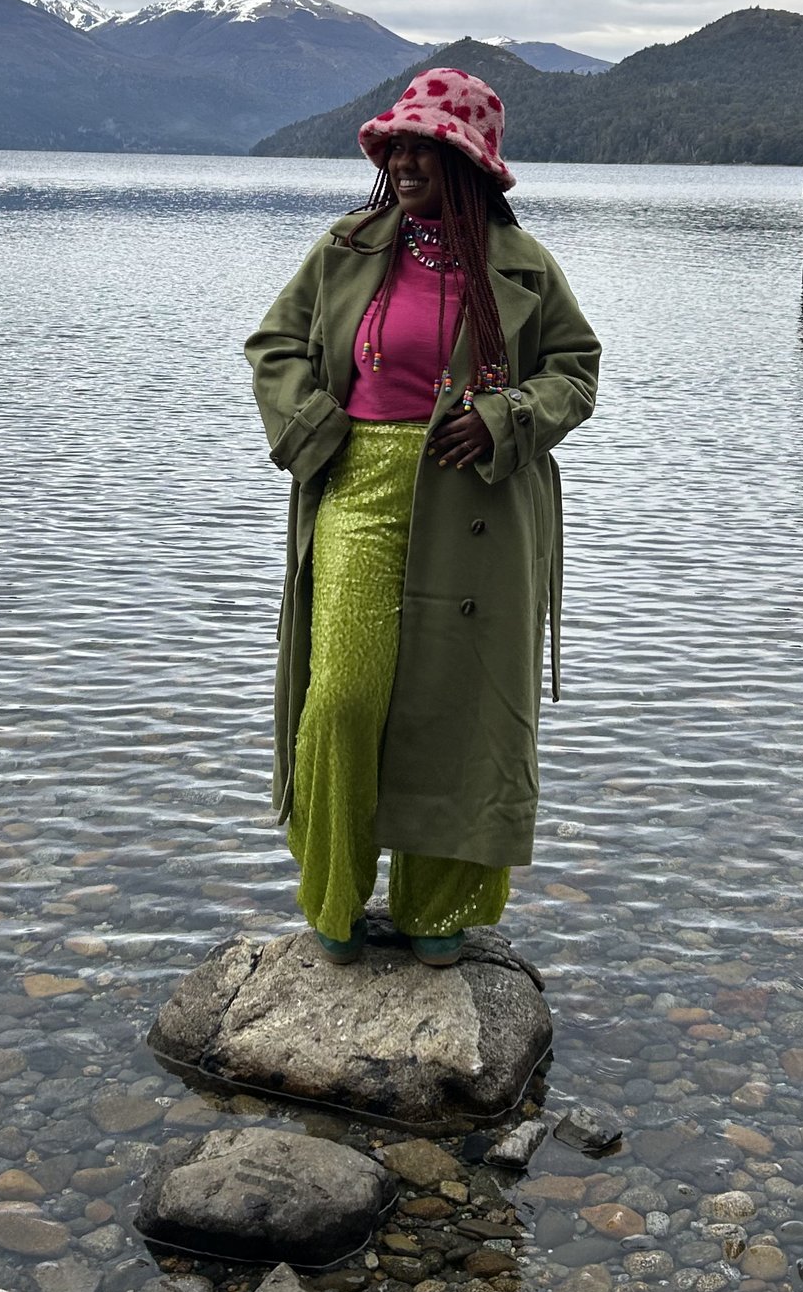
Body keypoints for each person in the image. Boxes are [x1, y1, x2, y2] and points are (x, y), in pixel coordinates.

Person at [245, 66, 600, 967]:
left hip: (478, 498)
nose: (403, 163)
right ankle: (334, 892)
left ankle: (436, 909)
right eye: (396, 147)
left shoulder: (523, 265)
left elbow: (575, 370)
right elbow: (275, 345)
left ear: (467, 164)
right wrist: (315, 427)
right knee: (343, 696)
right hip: (359, 485)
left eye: (425, 150)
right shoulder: (348, 247)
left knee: (460, 704)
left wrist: (505, 418)